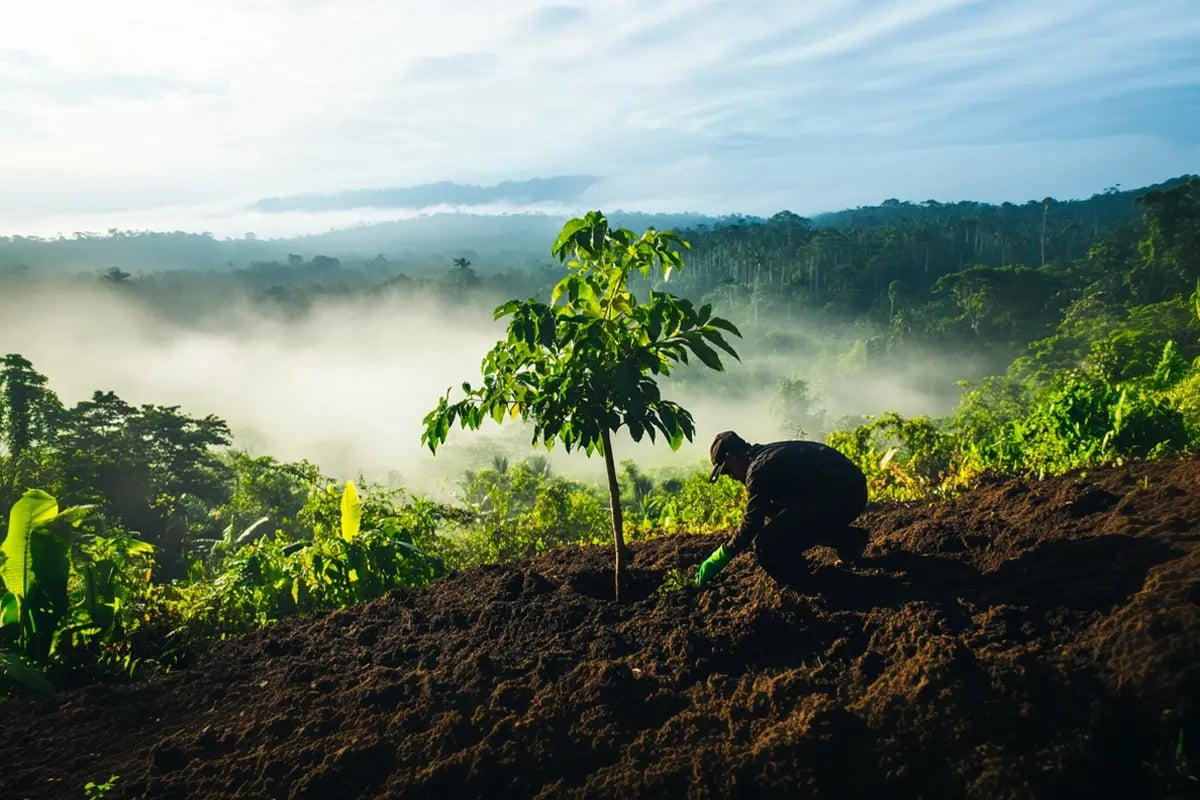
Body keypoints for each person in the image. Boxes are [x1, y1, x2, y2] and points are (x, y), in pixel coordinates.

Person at [695, 430, 870, 586]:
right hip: (848, 490)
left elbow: (752, 523)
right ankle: (849, 541)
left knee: (767, 544)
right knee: (778, 516)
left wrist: (722, 556)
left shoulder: (758, 469)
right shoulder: (763, 457)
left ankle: (809, 586)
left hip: (843, 494)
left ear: (732, 457)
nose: (731, 476)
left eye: (728, 471)